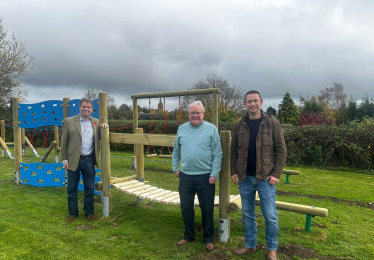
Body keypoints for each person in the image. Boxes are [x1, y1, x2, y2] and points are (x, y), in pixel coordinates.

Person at [230, 90, 286, 260]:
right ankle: (250, 245)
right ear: (244, 104)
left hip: (266, 179)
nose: (252, 104)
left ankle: (272, 249)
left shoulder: (272, 123)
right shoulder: (239, 125)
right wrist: (234, 171)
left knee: (270, 215)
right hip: (245, 178)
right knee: (247, 213)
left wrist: (276, 174)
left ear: (261, 102)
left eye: (255, 101)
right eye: (249, 101)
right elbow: (233, 151)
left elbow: (281, 150)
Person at [172, 101, 223, 252]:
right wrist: (175, 167)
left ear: (203, 114)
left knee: (207, 208)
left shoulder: (211, 129)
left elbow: (218, 153)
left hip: (206, 177)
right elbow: (176, 150)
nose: (195, 115)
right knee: (186, 207)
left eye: (197, 113)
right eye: (192, 113)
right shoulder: (182, 129)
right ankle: (188, 235)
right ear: (188, 115)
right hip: (186, 176)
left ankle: (208, 238)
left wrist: (214, 173)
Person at [60, 98, 109, 222]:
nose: (86, 109)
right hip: (72, 160)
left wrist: (104, 127)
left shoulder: (96, 122)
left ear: (92, 109)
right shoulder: (69, 121)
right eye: (84, 107)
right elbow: (63, 142)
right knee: (71, 188)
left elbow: (102, 136)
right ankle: (73, 213)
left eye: (88, 107)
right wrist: (64, 160)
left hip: (88, 160)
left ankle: (89, 212)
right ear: (79, 108)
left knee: (89, 187)